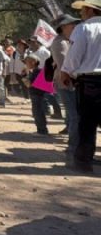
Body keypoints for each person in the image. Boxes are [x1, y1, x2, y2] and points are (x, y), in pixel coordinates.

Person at [60, 0, 101, 174]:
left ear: (91, 10)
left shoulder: (83, 29)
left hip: (90, 82)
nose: (81, 13)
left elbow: (74, 55)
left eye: (84, 9)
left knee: (87, 124)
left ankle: (83, 163)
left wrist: (66, 71)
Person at [50, 13, 81, 158]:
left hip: (68, 82)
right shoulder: (60, 43)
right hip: (66, 83)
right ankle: (73, 148)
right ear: (63, 27)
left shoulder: (67, 41)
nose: (74, 27)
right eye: (72, 25)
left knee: (74, 116)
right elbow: (64, 67)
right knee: (75, 116)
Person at [22, 54, 49, 135]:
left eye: (27, 62)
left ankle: (42, 131)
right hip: (36, 95)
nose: (26, 64)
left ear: (33, 62)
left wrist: (24, 76)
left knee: (38, 113)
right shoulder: (34, 71)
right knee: (37, 112)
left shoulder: (37, 71)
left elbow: (29, 84)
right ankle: (40, 130)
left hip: (38, 95)